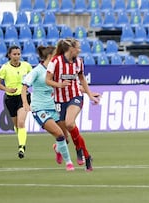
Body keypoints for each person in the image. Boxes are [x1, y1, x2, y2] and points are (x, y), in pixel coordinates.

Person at [46, 38, 99, 171]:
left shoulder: (79, 62)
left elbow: (82, 79)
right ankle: (77, 153)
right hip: (59, 100)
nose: (80, 50)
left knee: (70, 123)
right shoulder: (55, 61)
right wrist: (59, 84)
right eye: (78, 48)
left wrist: (90, 94)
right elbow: (47, 80)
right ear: (71, 49)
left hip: (75, 96)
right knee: (64, 137)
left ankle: (81, 152)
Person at [21, 45, 74, 171]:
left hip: (55, 107)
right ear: (50, 56)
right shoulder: (36, 71)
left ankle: (57, 148)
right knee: (60, 134)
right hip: (40, 108)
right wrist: (25, 103)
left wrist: (87, 92)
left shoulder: (55, 71)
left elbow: (68, 85)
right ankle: (69, 163)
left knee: (65, 139)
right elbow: (24, 87)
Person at [0, 45, 32, 159]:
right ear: (10, 55)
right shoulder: (5, 68)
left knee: (21, 122)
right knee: (16, 125)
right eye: (14, 54)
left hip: (23, 97)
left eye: (18, 54)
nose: (17, 56)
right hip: (10, 99)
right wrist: (7, 89)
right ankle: (21, 140)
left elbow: (33, 78)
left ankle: (21, 147)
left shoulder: (26, 66)